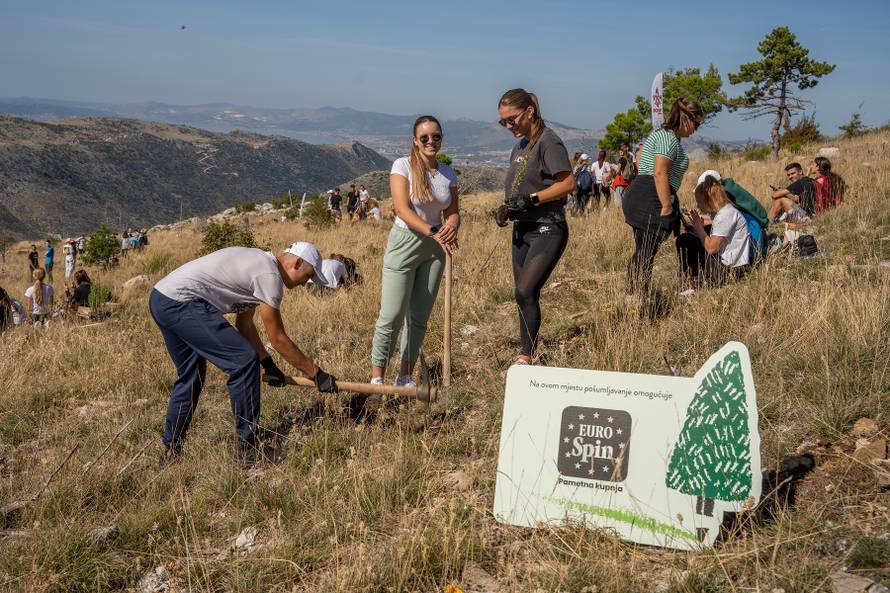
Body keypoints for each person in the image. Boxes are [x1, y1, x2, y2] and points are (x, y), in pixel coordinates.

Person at [149, 242, 338, 466]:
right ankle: (249, 449)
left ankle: (171, 451)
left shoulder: (259, 264)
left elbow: (245, 325)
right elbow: (277, 338)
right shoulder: (269, 276)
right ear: (295, 263)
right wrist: (317, 375)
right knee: (243, 362)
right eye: (307, 276)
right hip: (182, 301)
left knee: (191, 376)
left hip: (161, 298)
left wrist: (268, 365)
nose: (305, 284)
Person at [370, 115, 460, 387]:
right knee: (392, 314)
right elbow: (402, 208)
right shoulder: (403, 166)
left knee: (419, 315)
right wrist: (432, 230)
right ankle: (377, 379)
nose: (431, 142)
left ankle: (405, 374)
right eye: (425, 138)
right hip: (405, 242)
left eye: (436, 137)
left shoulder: (448, 173)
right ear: (415, 141)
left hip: (435, 249)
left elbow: (453, 211)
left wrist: (451, 227)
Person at [496, 88, 575, 365]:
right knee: (523, 294)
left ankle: (526, 357)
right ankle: (527, 350)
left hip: (548, 227)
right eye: (503, 122)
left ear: (529, 112)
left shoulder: (549, 142)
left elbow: (568, 184)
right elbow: (520, 186)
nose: (509, 126)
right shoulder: (519, 146)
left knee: (525, 291)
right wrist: (508, 207)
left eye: (512, 119)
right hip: (522, 228)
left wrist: (532, 199)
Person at [622, 97, 704, 295]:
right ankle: (634, 299)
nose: (696, 128)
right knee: (646, 253)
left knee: (644, 251)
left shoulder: (664, 136)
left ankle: (636, 295)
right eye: (696, 123)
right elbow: (659, 172)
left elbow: (644, 162)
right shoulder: (668, 138)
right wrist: (666, 207)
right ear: (686, 119)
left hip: (644, 192)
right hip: (651, 196)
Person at [677, 176, 752, 294]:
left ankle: (694, 282)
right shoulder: (725, 212)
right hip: (728, 266)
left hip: (729, 271)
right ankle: (693, 280)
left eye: (699, 202)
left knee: (686, 241)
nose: (698, 206)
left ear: (708, 200)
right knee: (687, 239)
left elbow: (711, 248)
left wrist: (698, 227)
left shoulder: (725, 215)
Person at [611, 143, 635, 209]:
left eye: (620, 150)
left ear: (622, 151)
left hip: (620, 181)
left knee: (618, 200)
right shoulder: (630, 158)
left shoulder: (621, 159)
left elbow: (618, 171)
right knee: (625, 199)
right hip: (627, 182)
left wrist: (614, 167)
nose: (619, 152)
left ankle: (620, 214)